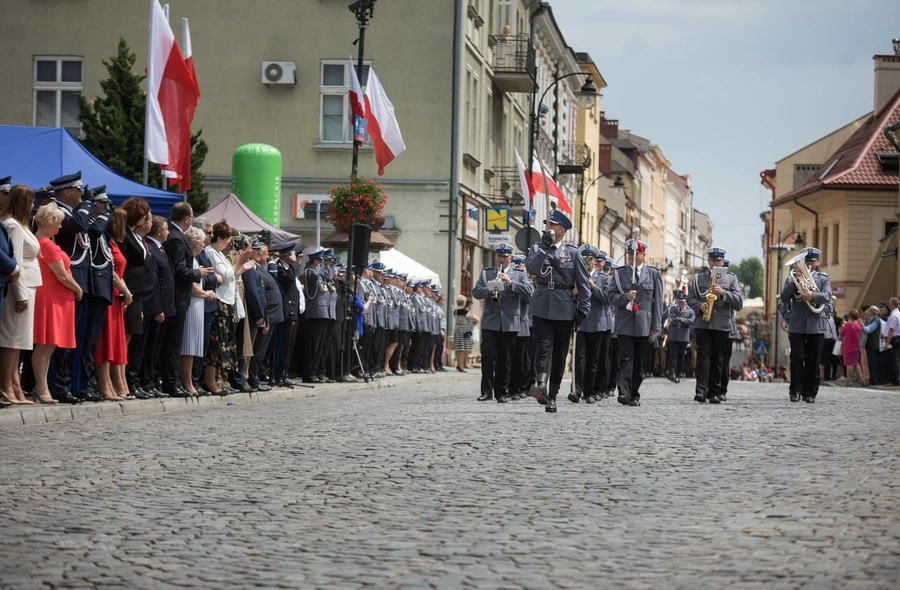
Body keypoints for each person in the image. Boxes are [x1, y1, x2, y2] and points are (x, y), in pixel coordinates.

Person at [50, 172, 107, 403]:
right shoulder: (58, 212)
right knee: (62, 340)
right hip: (66, 281)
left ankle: (66, 385)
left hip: (79, 283)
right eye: (78, 190)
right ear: (67, 191)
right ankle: (58, 386)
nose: (81, 194)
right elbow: (78, 226)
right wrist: (88, 205)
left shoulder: (72, 211)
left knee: (71, 339)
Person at [525, 210, 590, 413]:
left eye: (551, 225)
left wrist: (583, 310)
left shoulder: (573, 253)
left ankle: (552, 395)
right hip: (542, 303)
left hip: (564, 306)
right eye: (546, 225)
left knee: (560, 354)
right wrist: (544, 247)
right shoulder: (538, 248)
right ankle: (541, 385)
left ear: (561, 230)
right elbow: (532, 269)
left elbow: (583, 284)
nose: (548, 228)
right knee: (543, 348)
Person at [161, 202, 213, 397]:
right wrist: (197, 273)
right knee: (173, 345)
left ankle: (173, 382)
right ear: (187, 219)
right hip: (178, 297)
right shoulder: (176, 238)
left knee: (175, 344)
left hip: (180, 298)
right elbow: (178, 270)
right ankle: (171, 383)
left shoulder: (177, 236)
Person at [32, 204, 82, 404]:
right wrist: (77, 288)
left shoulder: (44, 242)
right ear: (50, 222)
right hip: (51, 298)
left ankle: (42, 387)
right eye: (59, 222)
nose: (61, 226)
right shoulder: (46, 244)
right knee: (45, 344)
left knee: (49, 345)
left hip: (55, 298)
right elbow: (61, 274)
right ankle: (41, 387)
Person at [473, 242, 533, 403]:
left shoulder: (519, 274)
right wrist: (489, 289)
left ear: (510, 258)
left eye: (505, 257)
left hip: (510, 322)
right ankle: (486, 391)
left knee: (504, 359)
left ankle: (501, 391)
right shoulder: (486, 273)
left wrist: (511, 282)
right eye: (499, 256)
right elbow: (476, 291)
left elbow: (530, 293)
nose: (502, 259)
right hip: (490, 321)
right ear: (495, 257)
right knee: (487, 357)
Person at [606, 238, 663, 407]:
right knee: (624, 358)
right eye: (630, 253)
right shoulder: (619, 273)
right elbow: (611, 296)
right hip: (625, 323)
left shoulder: (653, 274)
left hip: (644, 324)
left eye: (636, 253)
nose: (632, 256)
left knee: (639, 362)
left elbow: (658, 302)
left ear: (643, 255)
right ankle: (623, 391)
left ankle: (634, 392)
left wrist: (656, 326)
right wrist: (625, 298)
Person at [0, 186, 41, 406]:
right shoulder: (13, 226)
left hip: (29, 287)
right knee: (12, 340)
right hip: (20, 288)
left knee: (19, 341)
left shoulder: (21, 225)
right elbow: (14, 262)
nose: (33, 206)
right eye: (31, 202)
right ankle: (7, 385)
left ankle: (14, 385)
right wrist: (20, 294)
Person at [688, 248, 743, 404]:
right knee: (703, 357)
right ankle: (700, 390)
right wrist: (699, 305)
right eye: (713, 260)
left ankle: (715, 391)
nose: (715, 263)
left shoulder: (731, 279)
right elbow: (690, 298)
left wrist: (723, 293)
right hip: (703, 323)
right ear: (708, 261)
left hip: (722, 324)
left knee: (718, 359)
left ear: (723, 262)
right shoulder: (699, 278)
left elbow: (739, 302)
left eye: (718, 261)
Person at [204, 221, 253, 394]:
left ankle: (219, 380)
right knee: (216, 345)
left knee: (224, 344)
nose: (230, 243)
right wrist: (239, 263)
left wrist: (242, 268)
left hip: (227, 302)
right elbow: (223, 276)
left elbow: (231, 276)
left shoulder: (219, 254)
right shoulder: (210, 252)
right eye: (228, 239)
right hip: (219, 302)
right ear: (220, 238)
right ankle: (211, 381)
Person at [780, 247, 832, 403]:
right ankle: (795, 391)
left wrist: (812, 296)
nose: (808, 264)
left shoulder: (823, 279)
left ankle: (810, 392)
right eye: (806, 261)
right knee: (797, 357)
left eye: (811, 261)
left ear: (817, 262)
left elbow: (828, 296)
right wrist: (794, 284)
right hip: (797, 325)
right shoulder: (792, 278)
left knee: (813, 360)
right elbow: (783, 297)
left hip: (816, 325)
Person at [94, 207, 134, 401]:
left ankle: (113, 383)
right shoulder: (106, 243)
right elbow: (109, 271)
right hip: (109, 294)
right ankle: (104, 384)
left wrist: (126, 293)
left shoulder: (113, 243)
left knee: (115, 342)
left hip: (117, 296)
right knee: (106, 341)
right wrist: (125, 291)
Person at [139, 216, 175, 398]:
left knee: (155, 348)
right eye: (167, 229)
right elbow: (157, 282)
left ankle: (151, 381)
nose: (169, 232)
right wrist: (159, 308)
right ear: (159, 231)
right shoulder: (150, 247)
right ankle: (146, 381)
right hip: (155, 307)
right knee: (149, 348)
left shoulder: (159, 248)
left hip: (164, 307)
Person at [121, 198, 152, 397]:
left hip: (136, 292)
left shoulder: (133, 234)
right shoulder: (125, 234)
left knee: (130, 336)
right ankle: (122, 380)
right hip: (128, 290)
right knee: (124, 338)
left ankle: (124, 379)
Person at [179, 226, 216, 395]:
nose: (203, 245)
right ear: (195, 243)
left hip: (198, 304)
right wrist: (206, 293)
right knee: (188, 345)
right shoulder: (190, 260)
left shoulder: (194, 260)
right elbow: (192, 286)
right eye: (201, 242)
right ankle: (186, 381)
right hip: (192, 304)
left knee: (194, 346)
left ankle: (189, 380)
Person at [570, 245, 609, 404]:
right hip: (580, 322)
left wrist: (593, 287)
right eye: (584, 258)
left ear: (595, 261)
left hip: (596, 323)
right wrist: (575, 291)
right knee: (579, 358)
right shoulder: (575, 277)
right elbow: (568, 295)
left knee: (593, 360)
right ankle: (577, 390)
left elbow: (607, 299)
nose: (587, 261)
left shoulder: (604, 278)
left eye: (590, 259)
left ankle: (589, 391)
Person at [664, 290, 694, 384]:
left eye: (682, 302)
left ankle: (678, 373)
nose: (681, 303)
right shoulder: (672, 309)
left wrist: (681, 320)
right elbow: (667, 317)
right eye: (679, 301)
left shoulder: (690, 310)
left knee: (681, 356)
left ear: (685, 302)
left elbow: (692, 321)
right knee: (673, 356)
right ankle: (672, 373)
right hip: (673, 335)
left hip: (683, 336)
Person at [453, 297, 477, 373]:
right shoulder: (464, 311)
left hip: (458, 329)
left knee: (459, 347)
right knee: (463, 348)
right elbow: (475, 319)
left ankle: (459, 365)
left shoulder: (455, 311)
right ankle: (461, 365)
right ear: (463, 302)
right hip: (464, 330)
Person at [841, 308, 864, 388]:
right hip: (856, 346)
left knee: (849, 364)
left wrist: (844, 324)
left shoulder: (848, 325)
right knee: (856, 363)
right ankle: (861, 379)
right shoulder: (858, 325)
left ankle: (849, 381)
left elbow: (842, 333)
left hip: (847, 346)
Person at [863, 305, 883, 385]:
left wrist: (862, 325)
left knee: (872, 363)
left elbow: (868, 330)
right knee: (871, 363)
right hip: (870, 344)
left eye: (869, 311)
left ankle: (873, 380)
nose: (868, 312)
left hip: (873, 345)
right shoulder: (872, 320)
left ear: (872, 312)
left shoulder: (876, 320)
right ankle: (872, 378)